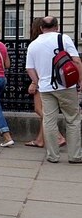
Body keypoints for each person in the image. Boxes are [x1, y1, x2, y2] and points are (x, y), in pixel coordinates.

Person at [25, 16, 82, 163]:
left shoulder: (34, 44)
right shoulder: (64, 39)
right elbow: (76, 61)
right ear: (57, 27)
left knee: (49, 120)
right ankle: (75, 155)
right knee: (73, 119)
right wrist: (79, 81)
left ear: (41, 28)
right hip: (66, 85)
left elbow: (29, 68)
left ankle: (52, 155)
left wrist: (38, 83)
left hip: (45, 88)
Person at [24, 17, 67, 148]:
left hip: (41, 81)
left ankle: (58, 136)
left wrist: (34, 82)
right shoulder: (51, 41)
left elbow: (34, 66)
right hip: (49, 80)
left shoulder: (36, 43)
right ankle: (40, 140)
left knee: (40, 110)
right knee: (44, 110)